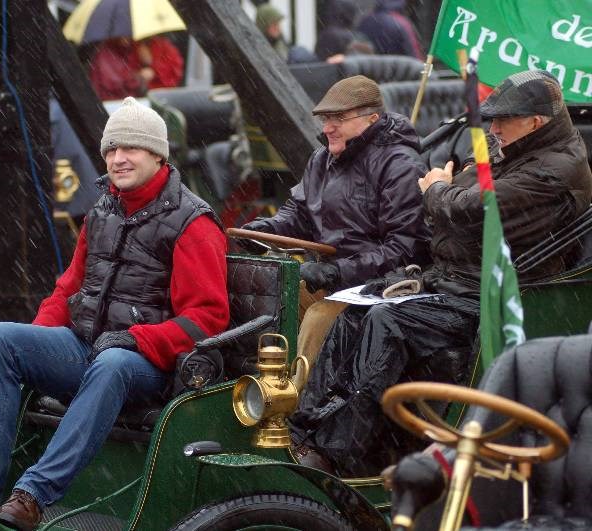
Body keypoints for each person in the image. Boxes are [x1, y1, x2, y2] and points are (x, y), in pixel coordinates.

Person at [290, 70, 592, 477]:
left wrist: (436, 189)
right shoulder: (516, 148)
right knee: (353, 312)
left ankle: (337, 454)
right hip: (455, 279)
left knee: (387, 321)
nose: (493, 129)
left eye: (503, 121)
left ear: (535, 122)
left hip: (496, 295)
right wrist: (447, 195)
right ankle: (305, 432)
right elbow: (460, 198)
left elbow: (466, 206)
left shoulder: (554, 169)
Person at [0, 97, 229, 530]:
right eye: (111, 149)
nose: (118, 159)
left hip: (150, 366)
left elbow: (206, 318)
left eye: (130, 148)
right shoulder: (103, 210)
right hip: (88, 347)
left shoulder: (194, 223)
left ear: (158, 155)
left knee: (113, 363)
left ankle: (33, 495)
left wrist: (137, 339)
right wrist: (38, 344)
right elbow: (68, 289)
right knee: (1, 338)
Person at [241, 75, 430, 367]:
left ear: (372, 119)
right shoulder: (321, 159)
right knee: (264, 299)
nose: (327, 128)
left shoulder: (400, 166)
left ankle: (300, 392)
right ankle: (256, 381)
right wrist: (266, 230)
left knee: (319, 318)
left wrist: (337, 271)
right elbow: (299, 212)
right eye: (325, 119)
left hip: (383, 287)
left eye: (338, 119)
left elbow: (404, 250)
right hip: (332, 278)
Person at [88, 36, 184, 101]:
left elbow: (174, 72)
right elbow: (113, 83)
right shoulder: (106, 54)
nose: (125, 39)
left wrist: (153, 69)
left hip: (150, 103)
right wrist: (137, 77)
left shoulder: (161, 46)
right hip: (116, 106)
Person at [357, 0, 423, 60]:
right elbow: (415, 57)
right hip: (396, 67)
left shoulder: (365, 21)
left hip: (370, 67)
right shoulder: (402, 23)